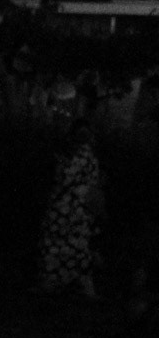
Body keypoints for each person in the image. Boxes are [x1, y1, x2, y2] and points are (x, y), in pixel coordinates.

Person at [35, 120, 107, 298]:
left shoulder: (78, 155)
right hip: (76, 208)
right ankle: (74, 282)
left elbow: (65, 177)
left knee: (58, 243)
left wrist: (61, 167)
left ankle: (55, 280)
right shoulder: (90, 157)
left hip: (67, 208)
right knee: (76, 245)